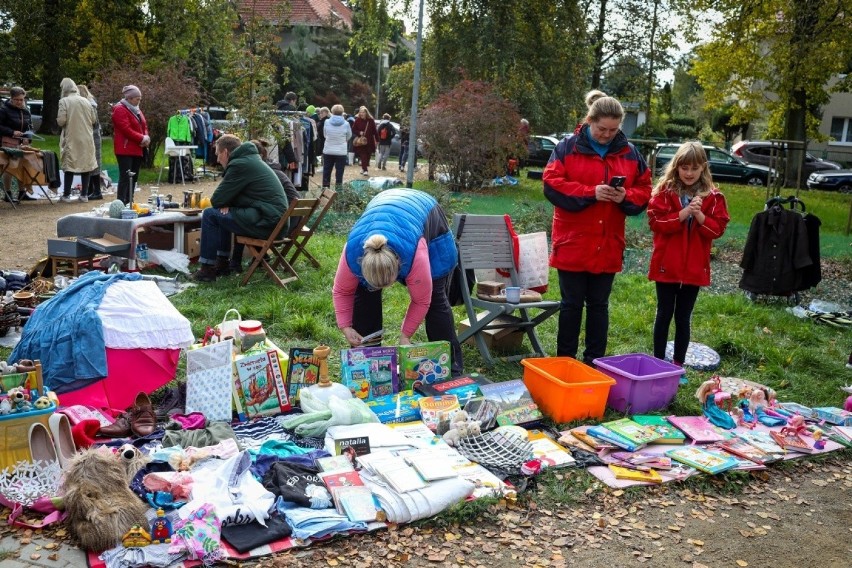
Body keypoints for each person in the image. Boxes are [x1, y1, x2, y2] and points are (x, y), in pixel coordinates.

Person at [542, 90, 652, 365]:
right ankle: (564, 362)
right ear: (589, 120)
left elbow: (644, 188)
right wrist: (591, 192)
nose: (607, 134)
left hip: (609, 242)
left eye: (613, 130)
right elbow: (552, 184)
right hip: (573, 242)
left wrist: (625, 196)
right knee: (571, 306)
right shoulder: (566, 147)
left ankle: (595, 363)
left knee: (599, 306)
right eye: (602, 128)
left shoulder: (630, 152)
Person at [332, 188, 463, 376]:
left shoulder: (415, 255)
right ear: (362, 267)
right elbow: (342, 291)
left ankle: (450, 366)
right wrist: (345, 326)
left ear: (400, 266)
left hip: (428, 214)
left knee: (434, 298)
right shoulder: (352, 253)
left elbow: (421, 300)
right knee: (363, 294)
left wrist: (405, 335)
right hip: (384, 207)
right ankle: (367, 363)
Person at [647, 141, 729, 367]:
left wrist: (699, 215)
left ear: (703, 167)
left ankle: (677, 365)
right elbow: (656, 223)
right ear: (677, 167)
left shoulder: (714, 197)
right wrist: (683, 213)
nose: (689, 173)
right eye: (685, 168)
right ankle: (657, 363)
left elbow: (717, 229)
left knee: (683, 317)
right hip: (667, 266)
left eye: (694, 168)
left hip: (694, 269)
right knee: (663, 314)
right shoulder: (664, 192)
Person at [193, 134, 289, 282]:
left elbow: (217, 199)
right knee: (220, 214)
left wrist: (228, 202)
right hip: (274, 221)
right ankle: (221, 263)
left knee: (210, 214)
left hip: (268, 223)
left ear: (225, 152)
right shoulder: (250, 159)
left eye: (218, 154)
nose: (217, 159)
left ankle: (207, 269)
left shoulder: (239, 164)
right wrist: (229, 202)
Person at [57, 78, 97, 203]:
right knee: (86, 165)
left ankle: (67, 194)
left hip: (72, 136)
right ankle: (84, 194)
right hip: (87, 137)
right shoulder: (86, 101)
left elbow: (61, 121)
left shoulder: (64, 101)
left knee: (70, 164)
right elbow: (94, 120)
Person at [112, 85, 150, 204]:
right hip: (125, 149)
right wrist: (141, 138)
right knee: (125, 177)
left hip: (137, 148)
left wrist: (146, 137)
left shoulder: (136, 109)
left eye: (140, 99)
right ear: (129, 98)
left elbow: (144, 125)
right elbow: (125, 129)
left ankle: (130, 201)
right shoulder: (119, 109)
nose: (139, 101)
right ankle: (121, 202)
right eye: (137, 99)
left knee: (134, 178)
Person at [0, 87, 33, 202]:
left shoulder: (26, 110)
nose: (19, 102)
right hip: (7, 142)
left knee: (22, 166)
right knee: (9, 167)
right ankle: (7, 193)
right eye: (16, 99)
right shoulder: (4, 110)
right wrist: (12, 132)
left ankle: (22, 192)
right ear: (11, 98)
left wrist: (28, 138)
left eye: (21, 99)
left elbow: (30, 127)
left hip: (22, 144)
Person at [77, 85, 103, 200]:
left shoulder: (89, 105)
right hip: (94, 135)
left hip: (92, 136)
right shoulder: (92, 103)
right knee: (93, 163)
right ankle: (92, 190)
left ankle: (96, 191)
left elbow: (93, 122)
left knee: (93, 163)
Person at [322, 104, 351, 189]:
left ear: (332, 111)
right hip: (341, 152)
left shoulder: (326, 122)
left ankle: (325, 190)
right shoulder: (346, 124)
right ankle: (338, 191)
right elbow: (349, 136)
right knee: (339, 173)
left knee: (326, 171)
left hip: (328, 150)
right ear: (342, 112)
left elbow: (325, 134)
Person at [352, 106, 378, 176]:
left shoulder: (371, 120)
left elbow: (375, 131)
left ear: (366, 113)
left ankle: (363, 168)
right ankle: (365, 170)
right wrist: (359, 132)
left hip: (369, 141)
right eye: (360, 112)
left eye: (363, 112)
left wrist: (377, 140)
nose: (361, 114)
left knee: (368, 155)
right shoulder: (357, 120)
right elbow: (353, 129)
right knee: (363, 155)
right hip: (361, 141)